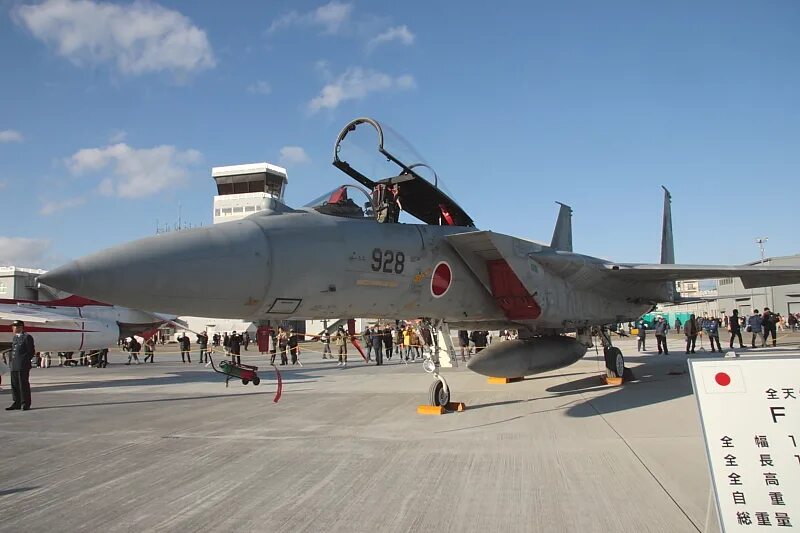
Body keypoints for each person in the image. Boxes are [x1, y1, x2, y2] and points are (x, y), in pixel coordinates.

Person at [6, 320, 35, 411]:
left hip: (22, 365)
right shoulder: (15, 338)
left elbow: (31, 351)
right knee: (15, 385)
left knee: (23, 385)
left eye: (15, 326)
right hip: (14, 365)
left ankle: (25, 403)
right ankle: (17, 402)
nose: (13, 328)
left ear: (20, 327)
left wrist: (24, 361)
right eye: (13, 326)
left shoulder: (27, 337)